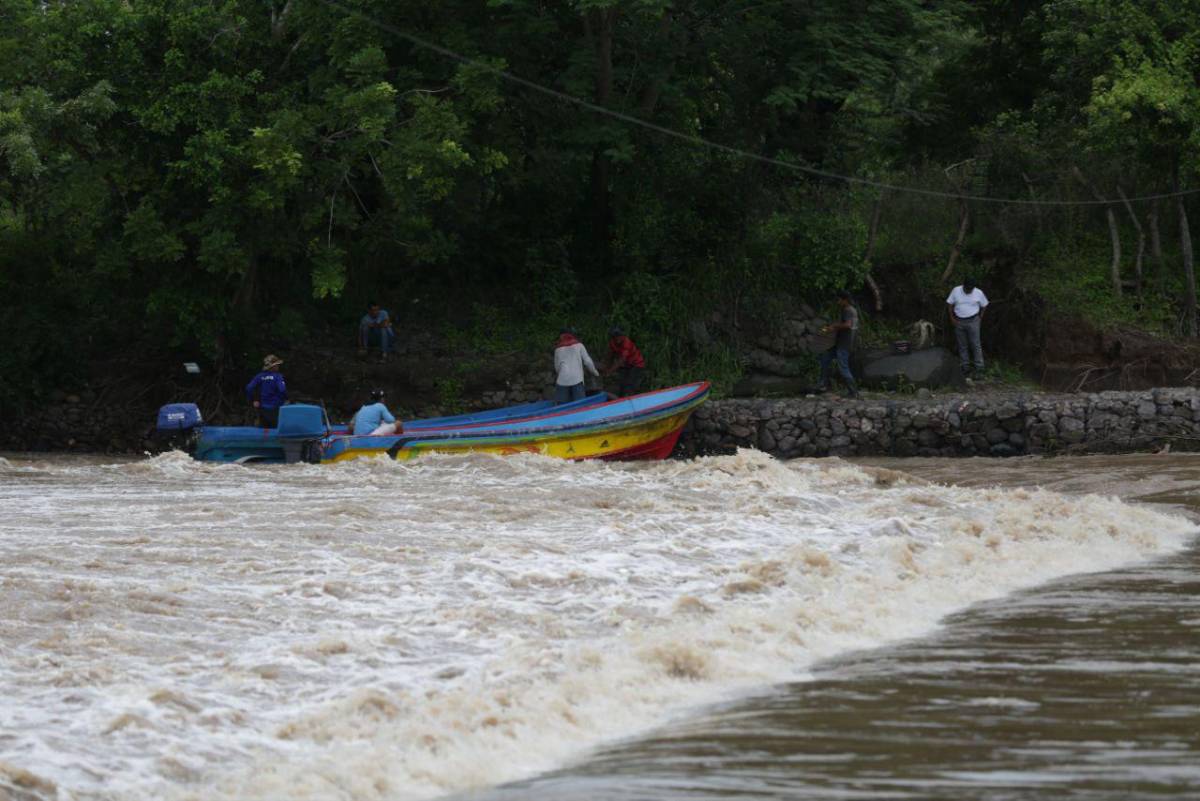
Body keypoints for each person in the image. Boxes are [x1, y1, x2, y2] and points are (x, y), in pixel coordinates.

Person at [817, 291, 861, 399]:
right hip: (842, 343)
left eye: (839, 300)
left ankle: (853, 392)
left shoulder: (848, 310)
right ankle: (823, 384)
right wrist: (833, 327)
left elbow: (848, 325)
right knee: (825, 356)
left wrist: (834, 327)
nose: (838, 302)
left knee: (843, 368)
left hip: (845, 344)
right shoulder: (851, 310)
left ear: (845, 300)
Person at [946, 277, 989, 376]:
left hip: (973, 320)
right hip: (959, 321)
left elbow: (985, 304)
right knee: (962, 345)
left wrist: (980, 317)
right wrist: (952, 318)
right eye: (967, 288)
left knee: (975, 344)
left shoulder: (978, 292)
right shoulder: (956, 290)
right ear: (963, 286)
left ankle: (979, 368)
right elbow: (949, 304)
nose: (969, 290)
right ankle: (965, 367)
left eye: (971, 289)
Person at [553, 327, 599, 404]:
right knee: (580, 406)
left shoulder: (557, 350)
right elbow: (588, 362)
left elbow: (557, 368)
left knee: (562, 407)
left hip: (562, 381)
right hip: (577, 380)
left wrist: (563, 376)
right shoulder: (579, 345)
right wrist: (595, 372)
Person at [245, 354, 287, 427]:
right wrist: (285, 400)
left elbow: (249, 388)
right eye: (277, 365)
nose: (278, 366)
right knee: (275, 430)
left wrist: (254, 400)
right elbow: (282, 390)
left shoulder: (259, 376)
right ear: (273, 366)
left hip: (262, 409)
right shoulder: (278, 376)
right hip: (275, 409)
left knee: (264, 430)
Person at [603, 327, 646, 397]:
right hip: (627, 364)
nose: (617, 339)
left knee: (629, 384)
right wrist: (606, 367)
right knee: (622, 383)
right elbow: (610, 356)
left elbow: (622, 360)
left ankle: (630, 398)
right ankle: (621, 399)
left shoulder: (626, 343)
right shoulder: (612, 343)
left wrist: (610, 371)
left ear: (622, 336)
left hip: (637, 364)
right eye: (615, 337)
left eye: (618, 336)